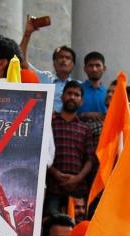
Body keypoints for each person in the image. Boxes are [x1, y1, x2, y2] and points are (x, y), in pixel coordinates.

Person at [46, 80, 95, 217]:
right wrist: (56, 174)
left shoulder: (85, 128)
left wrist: (77, 178)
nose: (72, 97)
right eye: (69, 93)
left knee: (76, 226)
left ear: (82, 101)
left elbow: (90, 159)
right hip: (53, 186)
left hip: (77, 189)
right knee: (52, 223)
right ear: (62, 96)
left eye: (76, 95)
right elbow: (43, 153)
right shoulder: (50, 123)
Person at [78, 51, 107, 121]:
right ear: (85, 69)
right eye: (91, 66)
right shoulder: (77, 91)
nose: (94, 69)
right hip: (80, 130)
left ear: (104, 68)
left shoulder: (109, 93)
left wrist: (104, 116)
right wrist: (83, 115)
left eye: (98, 65)